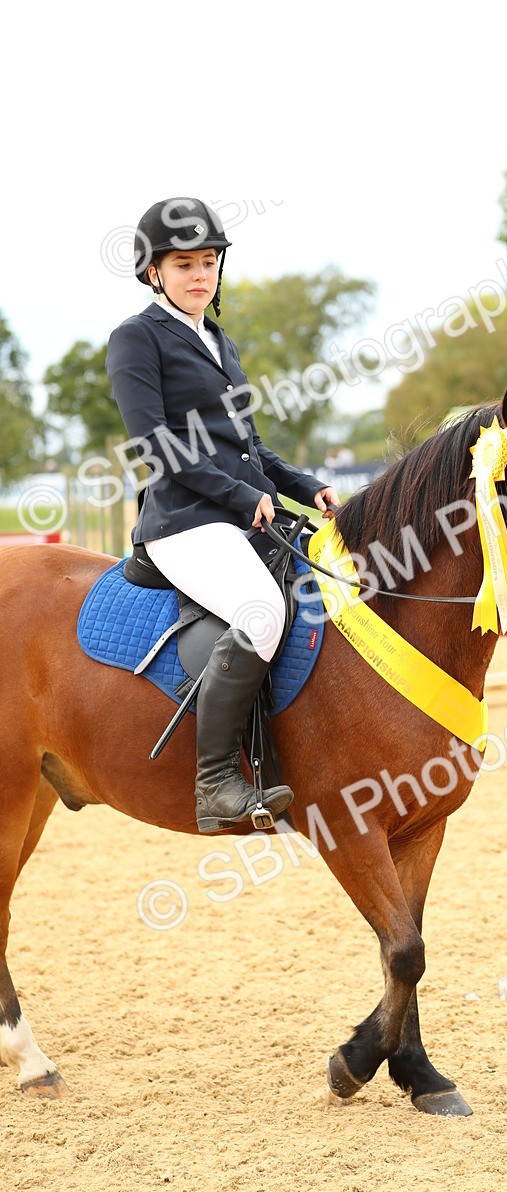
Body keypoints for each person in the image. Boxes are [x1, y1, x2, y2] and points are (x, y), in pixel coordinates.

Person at [106, 197, 340, 832]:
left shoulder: (219, 341)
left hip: (238, 516)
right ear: (153, 271)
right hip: (183, 522)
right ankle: (215, 782)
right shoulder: (136, 338)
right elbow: (155, 445)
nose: (199, 275)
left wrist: (307, 487)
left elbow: (250, 448)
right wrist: (241, 496)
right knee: (261, 612)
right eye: (184, 264)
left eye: (208, 262)